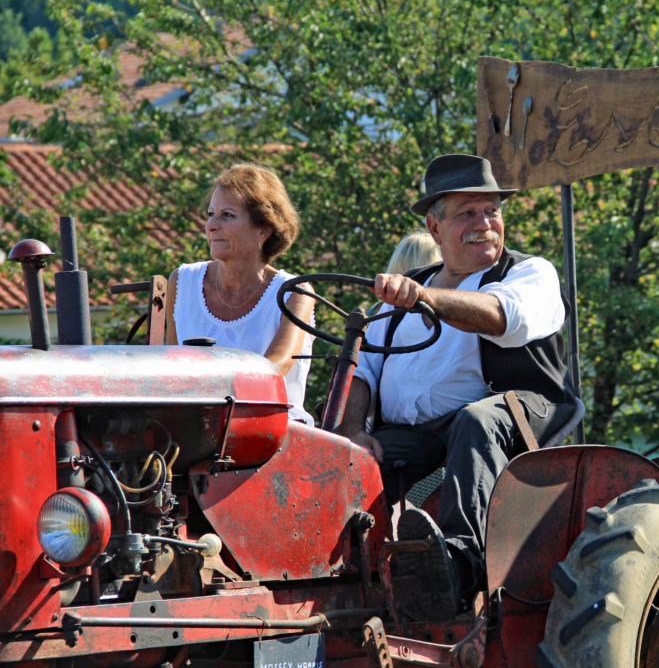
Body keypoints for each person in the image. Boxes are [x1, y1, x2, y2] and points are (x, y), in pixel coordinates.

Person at [339, 154, 577, 620]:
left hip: (517, 414)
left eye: (492, 210)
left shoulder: (529, 273)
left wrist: (426, 298)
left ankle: (459, 565)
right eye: (467, 212)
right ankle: (346, 570)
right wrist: (352, 431)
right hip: (422, 435)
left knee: (477, 420)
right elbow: (362, 371)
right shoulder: (406, 290)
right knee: (349, 459)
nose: (483, 223)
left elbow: (501, 318)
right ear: (434, 226)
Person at [166, 163, 316, 424]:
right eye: (211, 213)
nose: (211, 225)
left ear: (263, 229)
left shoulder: (295, 293)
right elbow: (166, 366)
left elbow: (274, 368)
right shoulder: (181, 282)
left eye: (227, 215)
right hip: (193, 429)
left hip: (270, 433)